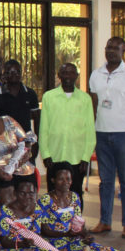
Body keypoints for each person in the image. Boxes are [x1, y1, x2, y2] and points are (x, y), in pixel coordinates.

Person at [89, 36, 125, 239]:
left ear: (123, 51)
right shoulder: (96, 75)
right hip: (102, 134)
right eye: (108, 47)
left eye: (116, 48)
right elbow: (93, 107)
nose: (111, 51)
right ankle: (105, 221)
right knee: (105, 182)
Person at [38, 62, 95, 201]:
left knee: (75, 193)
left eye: (71, 73)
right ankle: (53, 223)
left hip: (77, 158)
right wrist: (45, 154)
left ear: (76, 75)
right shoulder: (49, 97)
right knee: (53, 194)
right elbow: (44, 128)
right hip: (54, 156)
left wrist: (86, 157)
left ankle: (76, 222)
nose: (68, 76)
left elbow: (90, 131)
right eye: (64, 73)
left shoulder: (85, 99)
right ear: (59, 75)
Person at [0, 180, 65, 251]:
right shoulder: (5, 212)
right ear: (15, 193)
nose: (27, 197)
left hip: (33, 247)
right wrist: (21, 244)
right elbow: (3, 241)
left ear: (36, 194)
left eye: (31, 193)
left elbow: (40, 232)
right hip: (13, 248)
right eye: (22, 193)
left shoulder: (37, 209)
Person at [0, 59, 40, 135]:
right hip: (6, 141)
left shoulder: (30, 93)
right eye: (10, 72)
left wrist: (36, 141)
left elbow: (36, 120)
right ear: (4, 74)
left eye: (17, 72)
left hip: (26, 140)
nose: (14, 75)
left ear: (21, 73)